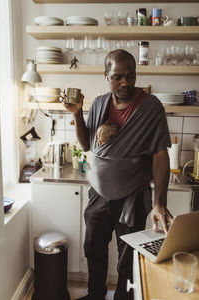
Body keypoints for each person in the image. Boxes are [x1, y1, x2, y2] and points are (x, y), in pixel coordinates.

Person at [61, 49, 173, 300]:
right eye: (118, 77)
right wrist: (78, 113)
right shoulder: (100, 103)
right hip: (98, 195)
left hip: (132, 196)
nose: (125, 82)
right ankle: (95, 295)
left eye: (130, 76)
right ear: (106, 76)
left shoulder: (150, 107)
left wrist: (159, 203)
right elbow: (88, 145)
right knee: (93, 249)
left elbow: (160, 155)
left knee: (127, 258)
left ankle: (124, 297)